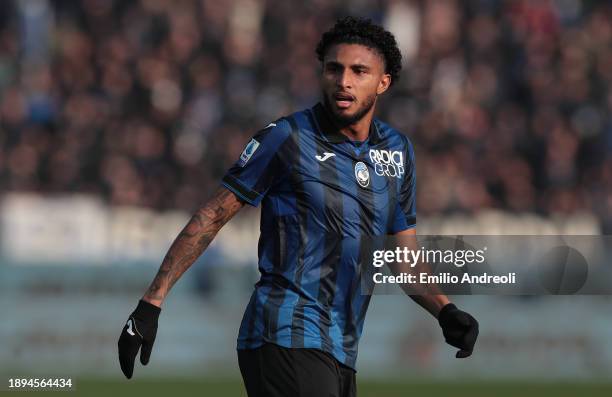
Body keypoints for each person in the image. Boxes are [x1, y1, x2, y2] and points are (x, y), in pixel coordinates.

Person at [118, 16, 478, 397]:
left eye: (359, 71)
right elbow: (212, 214)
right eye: (334, 69)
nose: (344, 81)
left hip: (341, 348)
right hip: (284, 332)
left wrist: (445, 310)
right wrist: (151, 302)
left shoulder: (397, 150)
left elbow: (401, 255)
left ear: (383, 82)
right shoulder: (287, 137)